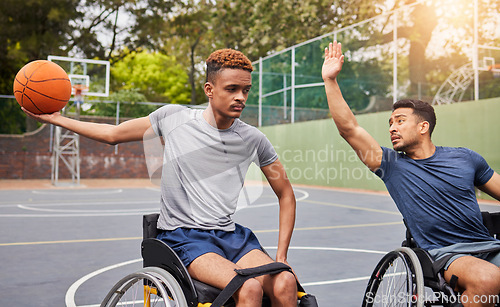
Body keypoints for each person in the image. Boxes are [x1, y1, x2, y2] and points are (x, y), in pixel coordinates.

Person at [23, 49, 298, 306]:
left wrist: (282, 256)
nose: (241, 97)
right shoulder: (174, 119)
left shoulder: (253, 139)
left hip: (231, 236)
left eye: (245, 90)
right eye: (232, 89)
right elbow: (112, 135)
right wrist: (57, 119)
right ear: (209, 90)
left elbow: (285, 194)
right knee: (249, 287)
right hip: (185, 237)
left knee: (285, 281)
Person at [322, 41, 500, 306]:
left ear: (423, 127)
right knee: (488, 281)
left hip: (488, 246)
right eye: (390, 123)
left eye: (400, 121)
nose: (392, 127)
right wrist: (330, 80)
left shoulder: (466, 158)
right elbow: (349, 129)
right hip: (446, 255)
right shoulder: (391, 164)